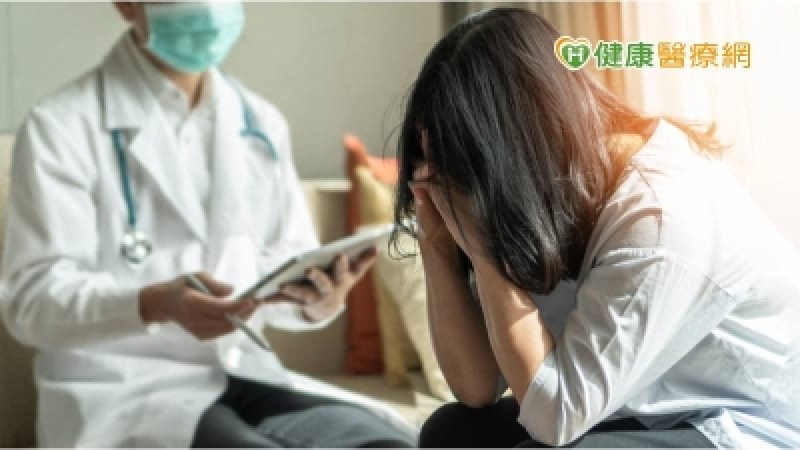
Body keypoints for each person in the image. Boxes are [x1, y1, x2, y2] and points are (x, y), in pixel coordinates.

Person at [0, 2, 416, 447]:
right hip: (121, 388)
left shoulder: (260, 122)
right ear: (127, 5)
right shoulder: (59, 127)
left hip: (242, 372)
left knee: (387, 444)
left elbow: (277, 269)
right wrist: (155, 303)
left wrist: (315, 300)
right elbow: (30, 303)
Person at [392, 7, 800, 449]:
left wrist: (483, 246)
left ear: (517, 149)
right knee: (452, 433)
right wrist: (438, 244)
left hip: (742, 424)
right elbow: (477, 387)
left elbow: (555, 418)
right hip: (643, 408)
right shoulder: (547, 194)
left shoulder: (660, 221)